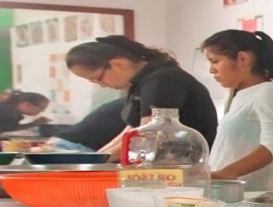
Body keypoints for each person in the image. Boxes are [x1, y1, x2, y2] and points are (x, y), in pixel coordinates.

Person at [65, 36, 218, 161]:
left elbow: (148, 134)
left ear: (118, 64)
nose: (102, 85)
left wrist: (100, 161)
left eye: (98, 78)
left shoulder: (162, 80)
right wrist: (97, 158)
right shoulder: (139, 83)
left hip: (180, 165)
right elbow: (131, 130)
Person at [201, 29, 273, 192]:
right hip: (236, 197)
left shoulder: (270, 93)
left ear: (243, 59)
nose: (211, 70)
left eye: (215, 61)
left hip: (260, 201)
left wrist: (226, 173)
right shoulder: (242, 96)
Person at [44, 98, 127, 152]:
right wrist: (99, 157)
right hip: (77, 147)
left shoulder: (126, 102)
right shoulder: (134, 104)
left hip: (65, 142)